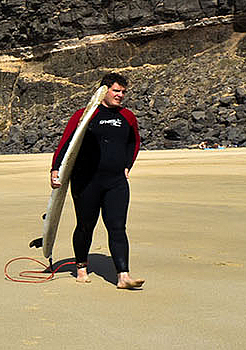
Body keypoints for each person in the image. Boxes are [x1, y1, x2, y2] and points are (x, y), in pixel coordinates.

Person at [50, 73, 145, 290]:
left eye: (123, 92)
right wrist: (55, 168)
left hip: (116, 182)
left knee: (117, 227)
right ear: (104, 90)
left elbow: (134, 142)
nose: (120, 95)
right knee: (85, 225)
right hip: (86, 181)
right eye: (116, 91)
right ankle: (81, 267)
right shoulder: (85, 115)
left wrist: (128, 164)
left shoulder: (127, 117)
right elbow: (67, 142)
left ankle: (123, 275)